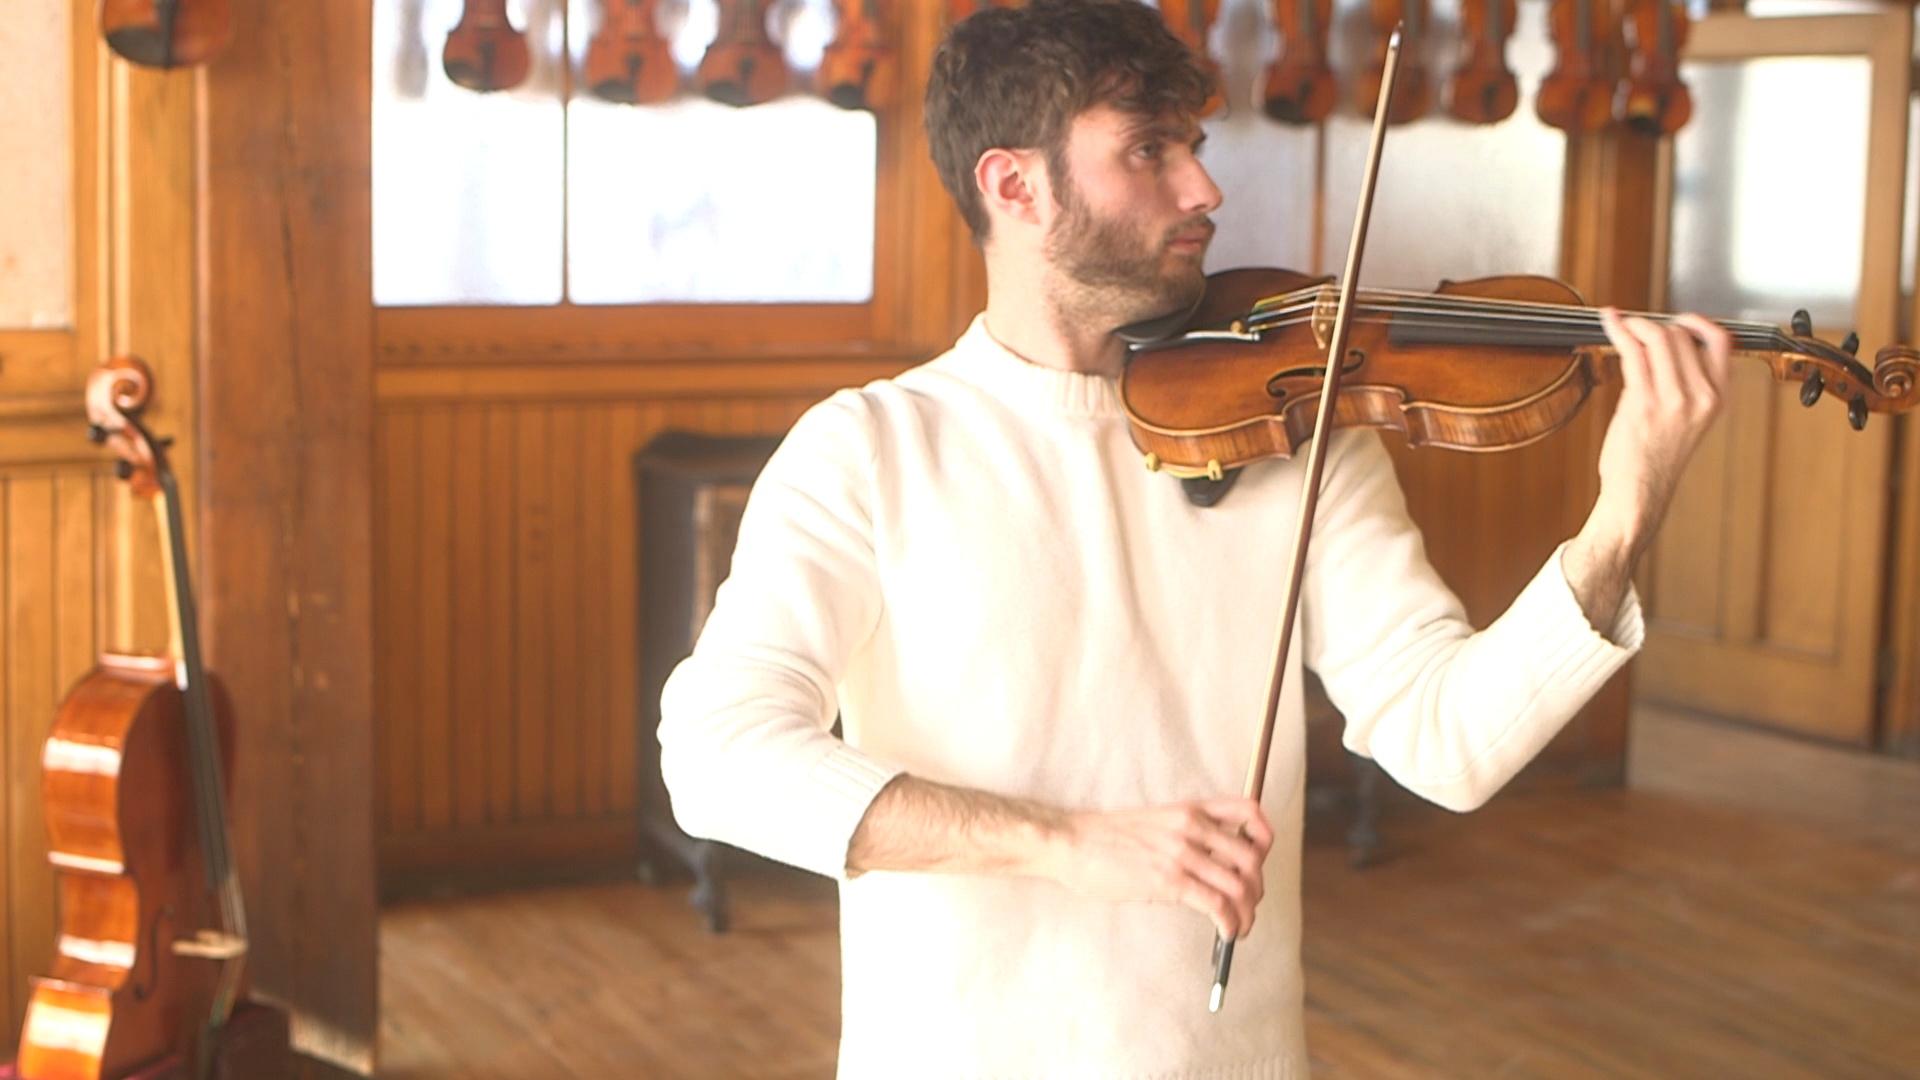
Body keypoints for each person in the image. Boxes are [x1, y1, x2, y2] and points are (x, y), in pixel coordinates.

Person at [658, 1, 1732, 1076]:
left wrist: (1623, 513)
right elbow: (717, 756)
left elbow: (1447, 746)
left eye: (1195, 147)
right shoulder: (873, 448)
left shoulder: (1298, 431)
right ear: (1014, 185)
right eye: (1148, 150)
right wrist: (1065, 844)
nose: (1204, 189)